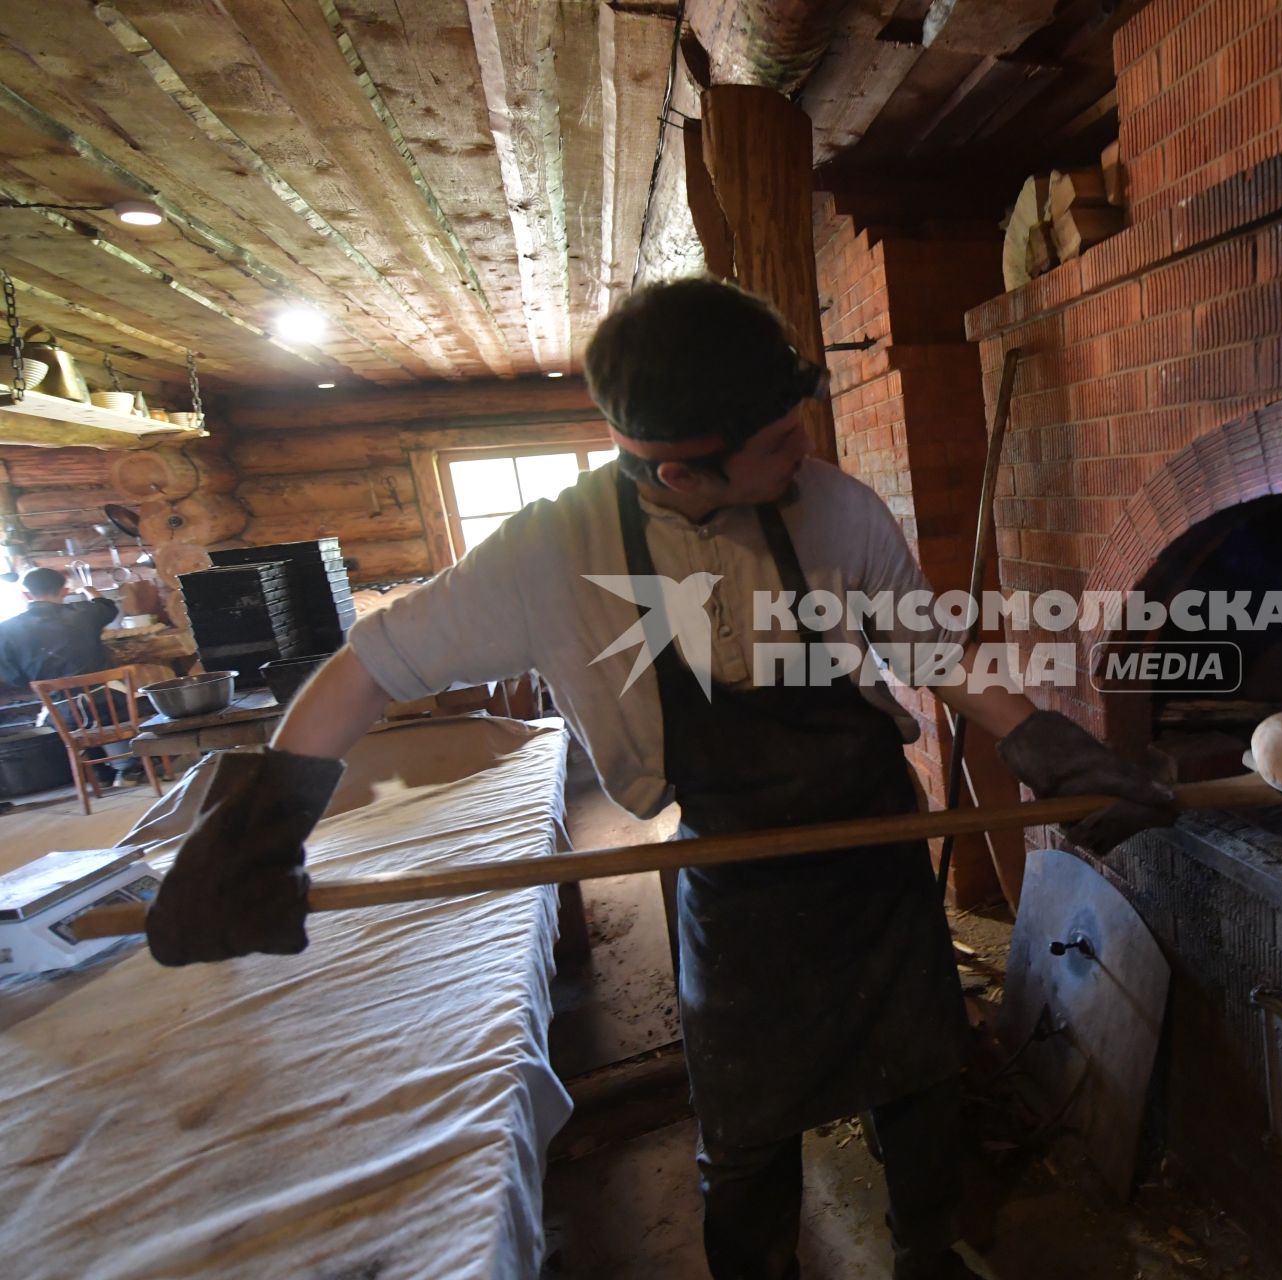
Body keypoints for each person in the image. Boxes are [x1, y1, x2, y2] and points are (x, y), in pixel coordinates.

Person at [141, 277, 1176, 1280]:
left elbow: (925, 644)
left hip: (872, 846)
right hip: (737, 871)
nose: (804, 451)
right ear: (682, 471)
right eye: (776, 444)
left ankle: (926, 1249)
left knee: (922, 1077)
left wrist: (1038, 734)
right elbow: (366, 666)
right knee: (748, 1120)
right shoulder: (552, 550)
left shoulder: (835, 506)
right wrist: (268, 824)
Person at [0, 565, 134, 786]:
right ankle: (130, 767)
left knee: (64, 719)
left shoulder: (5, 630)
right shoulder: (85, 613)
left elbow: (14, 678)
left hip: (62, 714)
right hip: (107, 704)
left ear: (25, 595)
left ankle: (99, 772)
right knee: (141, 703)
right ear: (64, 591)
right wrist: (90, 590)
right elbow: (107, 606)